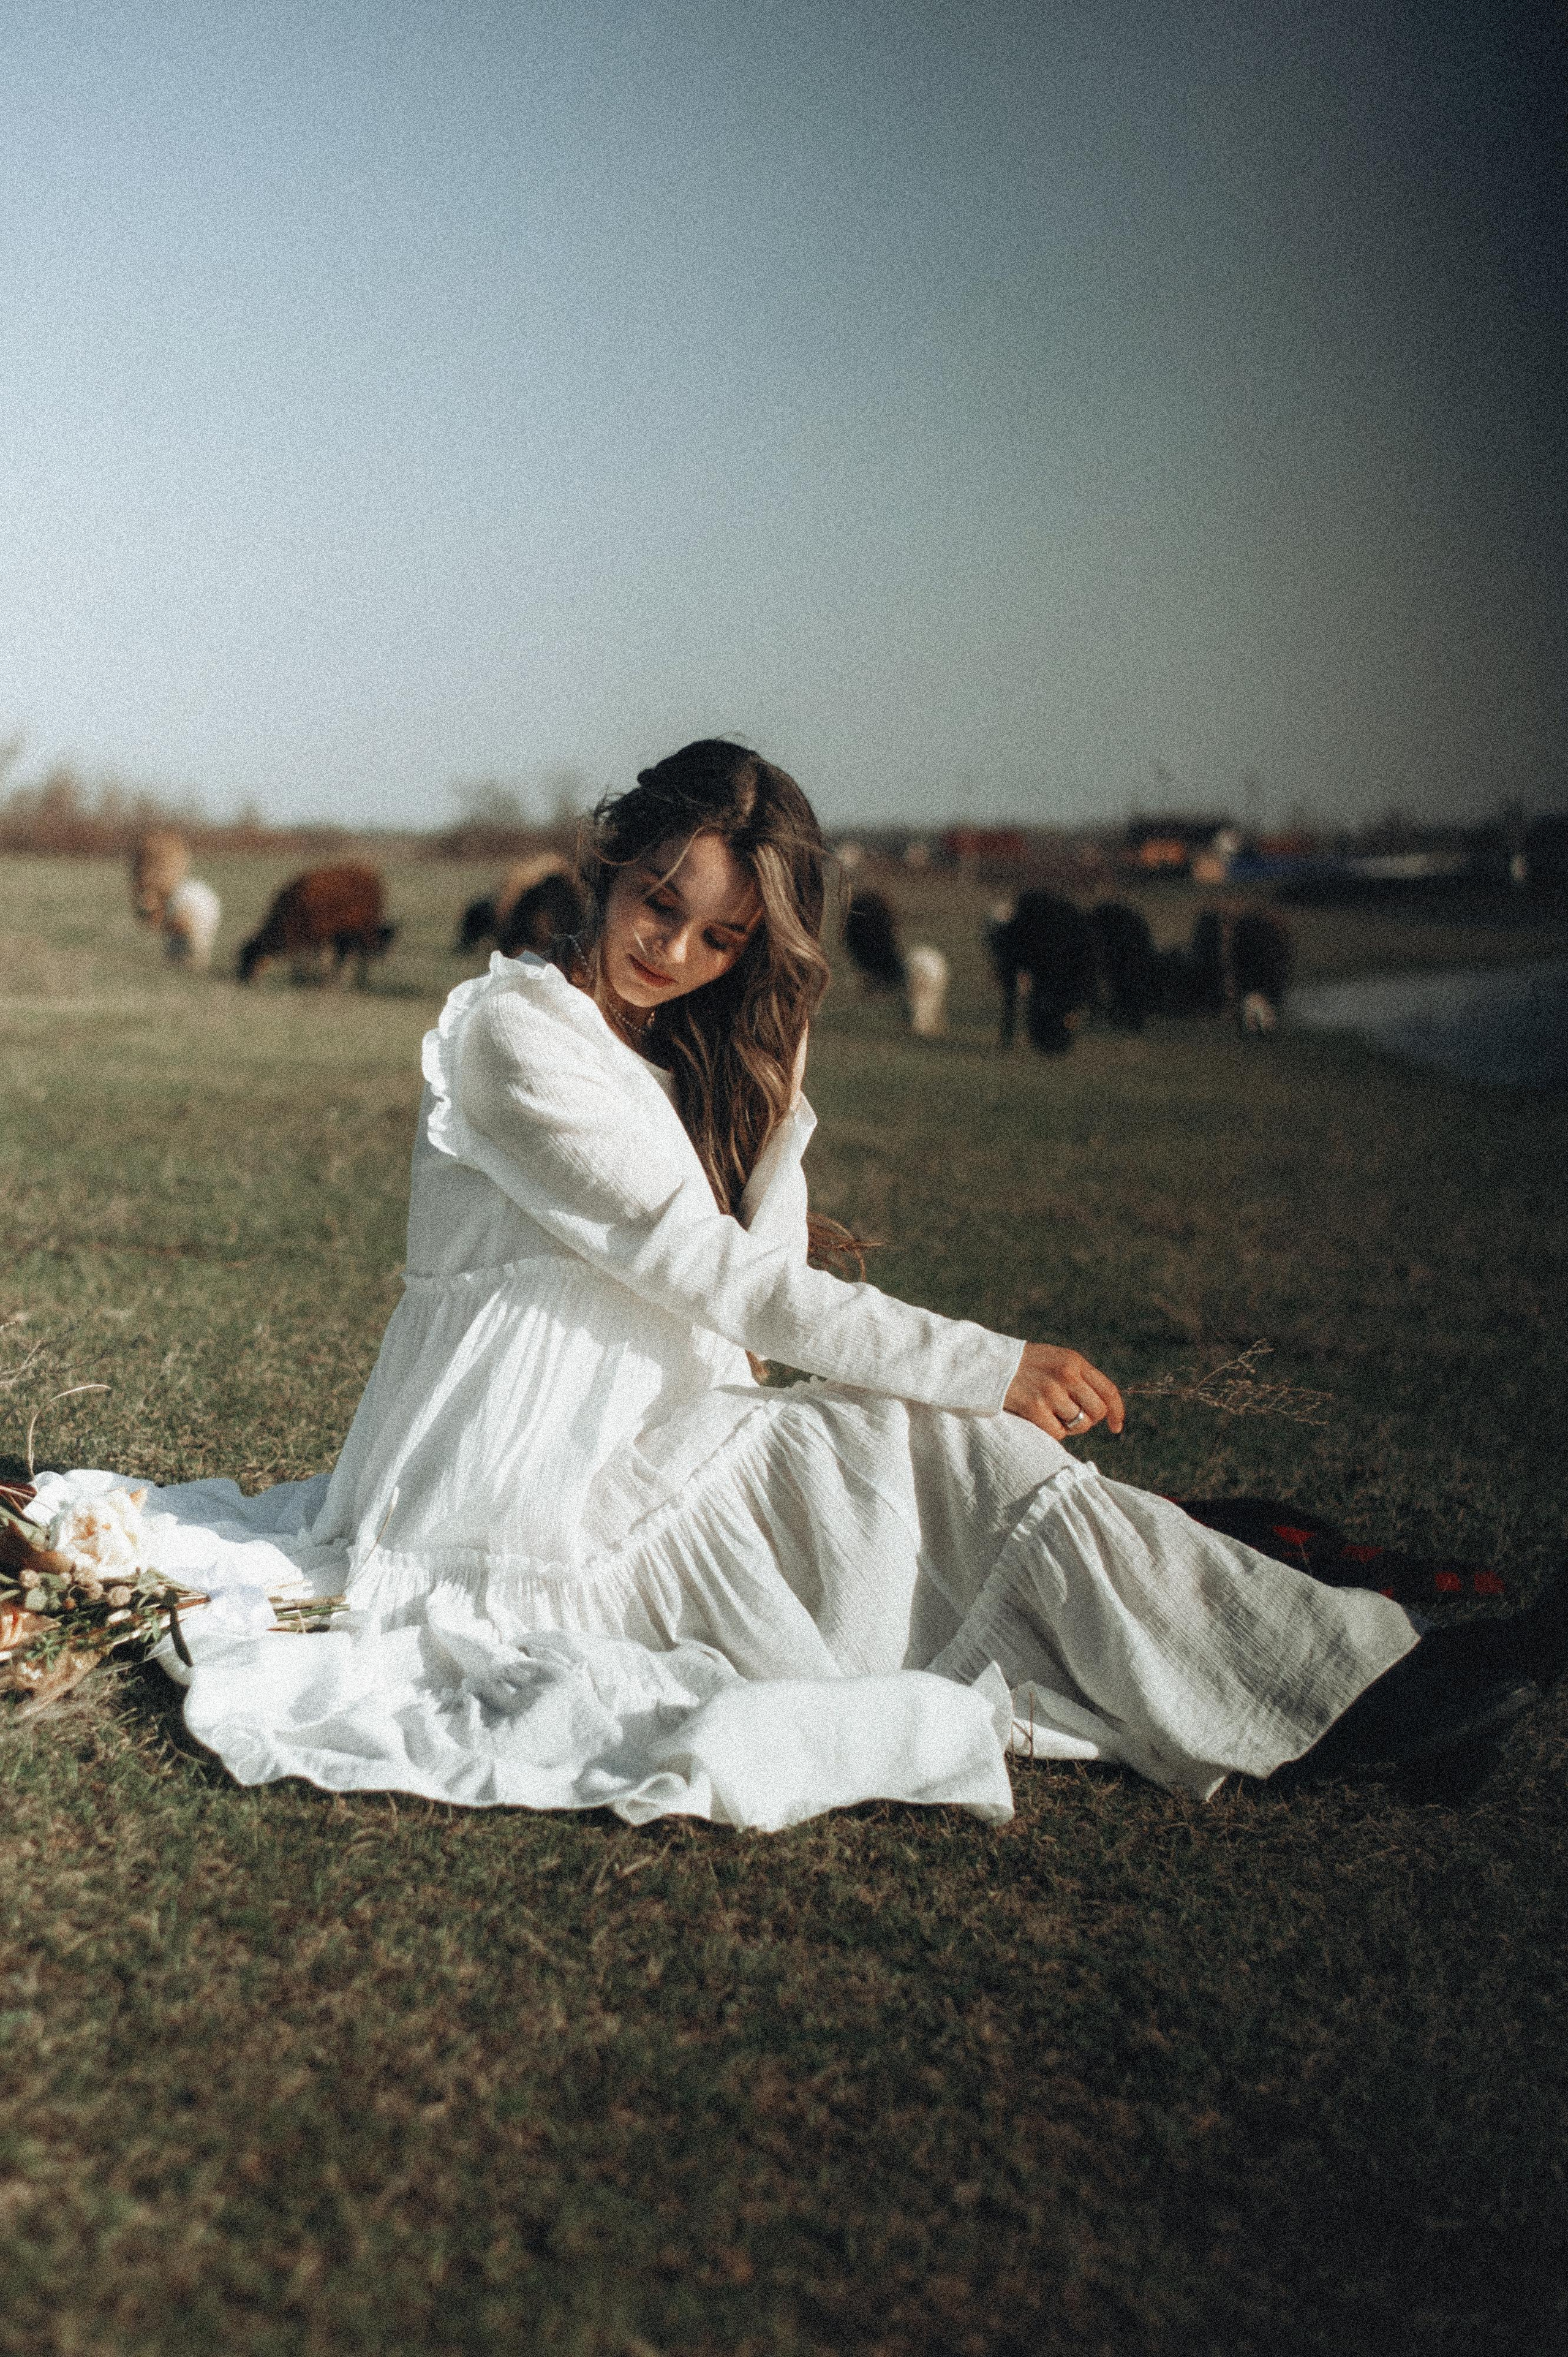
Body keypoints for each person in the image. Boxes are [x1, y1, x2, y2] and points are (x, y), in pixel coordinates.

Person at [34, 741, 1561, 1828]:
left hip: (658, 1443)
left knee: (963, 1465)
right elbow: (708, 1276)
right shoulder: (513, 1037)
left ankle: (1348, 1674)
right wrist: (978, 1356)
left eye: (721, 939)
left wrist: (781, 1049)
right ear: (609, 858)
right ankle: (1345, 1698)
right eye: (658, 905)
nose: (674, 952)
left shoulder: (678, 1045)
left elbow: (755, 1269)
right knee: (961, 1440)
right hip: (520, 1491)